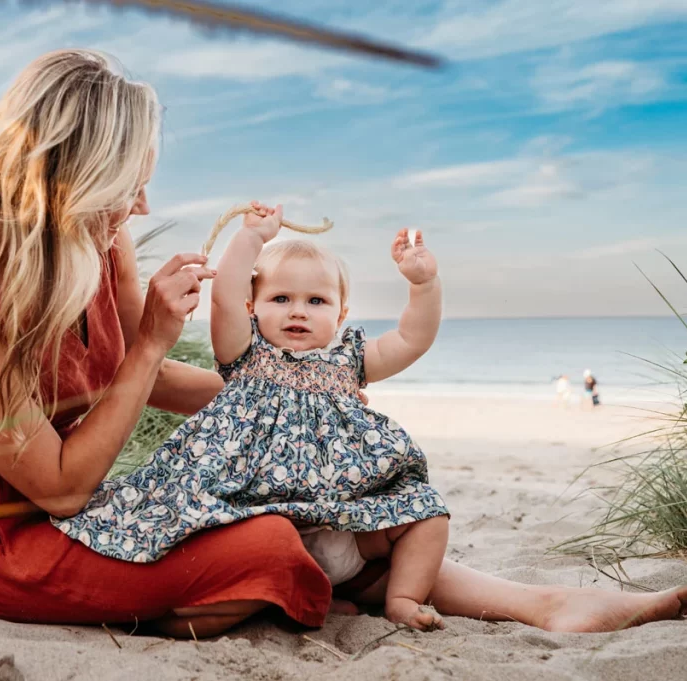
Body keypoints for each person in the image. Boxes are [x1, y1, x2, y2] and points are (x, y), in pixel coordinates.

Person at [0, 48, 687, 639]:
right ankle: (209, 595)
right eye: (129, 183)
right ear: (66, 176)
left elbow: (125, 381)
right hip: (1, 541)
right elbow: (58, 485)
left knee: (324, 494)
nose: (143, 204)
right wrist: (155, 339)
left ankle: (540, 602)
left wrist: (296, 400)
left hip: (90, 508)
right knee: (276, 546)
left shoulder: (95, 245)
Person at [56, 212, 449, 631]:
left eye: (316, 301)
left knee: (429, 514)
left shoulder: (349, 361)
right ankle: (300, 597)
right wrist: (251, 238)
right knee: (239, 549)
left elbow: (411, 338)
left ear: (340, 315)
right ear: (252, 307)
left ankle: (403, 599)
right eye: (280, 299)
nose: (298, 311)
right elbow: (224, 296)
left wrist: (423, 285)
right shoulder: (245, 352)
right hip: (253, 516)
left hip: (341, 520)